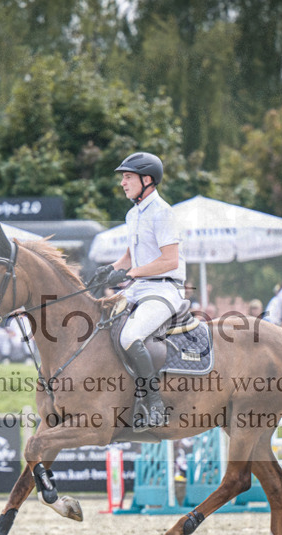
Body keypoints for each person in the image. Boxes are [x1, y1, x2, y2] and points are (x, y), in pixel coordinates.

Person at [93, 151, 185, 431]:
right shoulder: (133, 214)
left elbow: (170, 260)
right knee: (98, 323)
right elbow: (131, 257)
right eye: (123, 177)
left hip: (165, 290)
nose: (123, 182)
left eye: (128, 177)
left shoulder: (163, 213)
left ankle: (154, 403)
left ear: (147, 180)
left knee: (130, 335)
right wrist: (109, 269)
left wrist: (130, 273)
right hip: (139, 288)